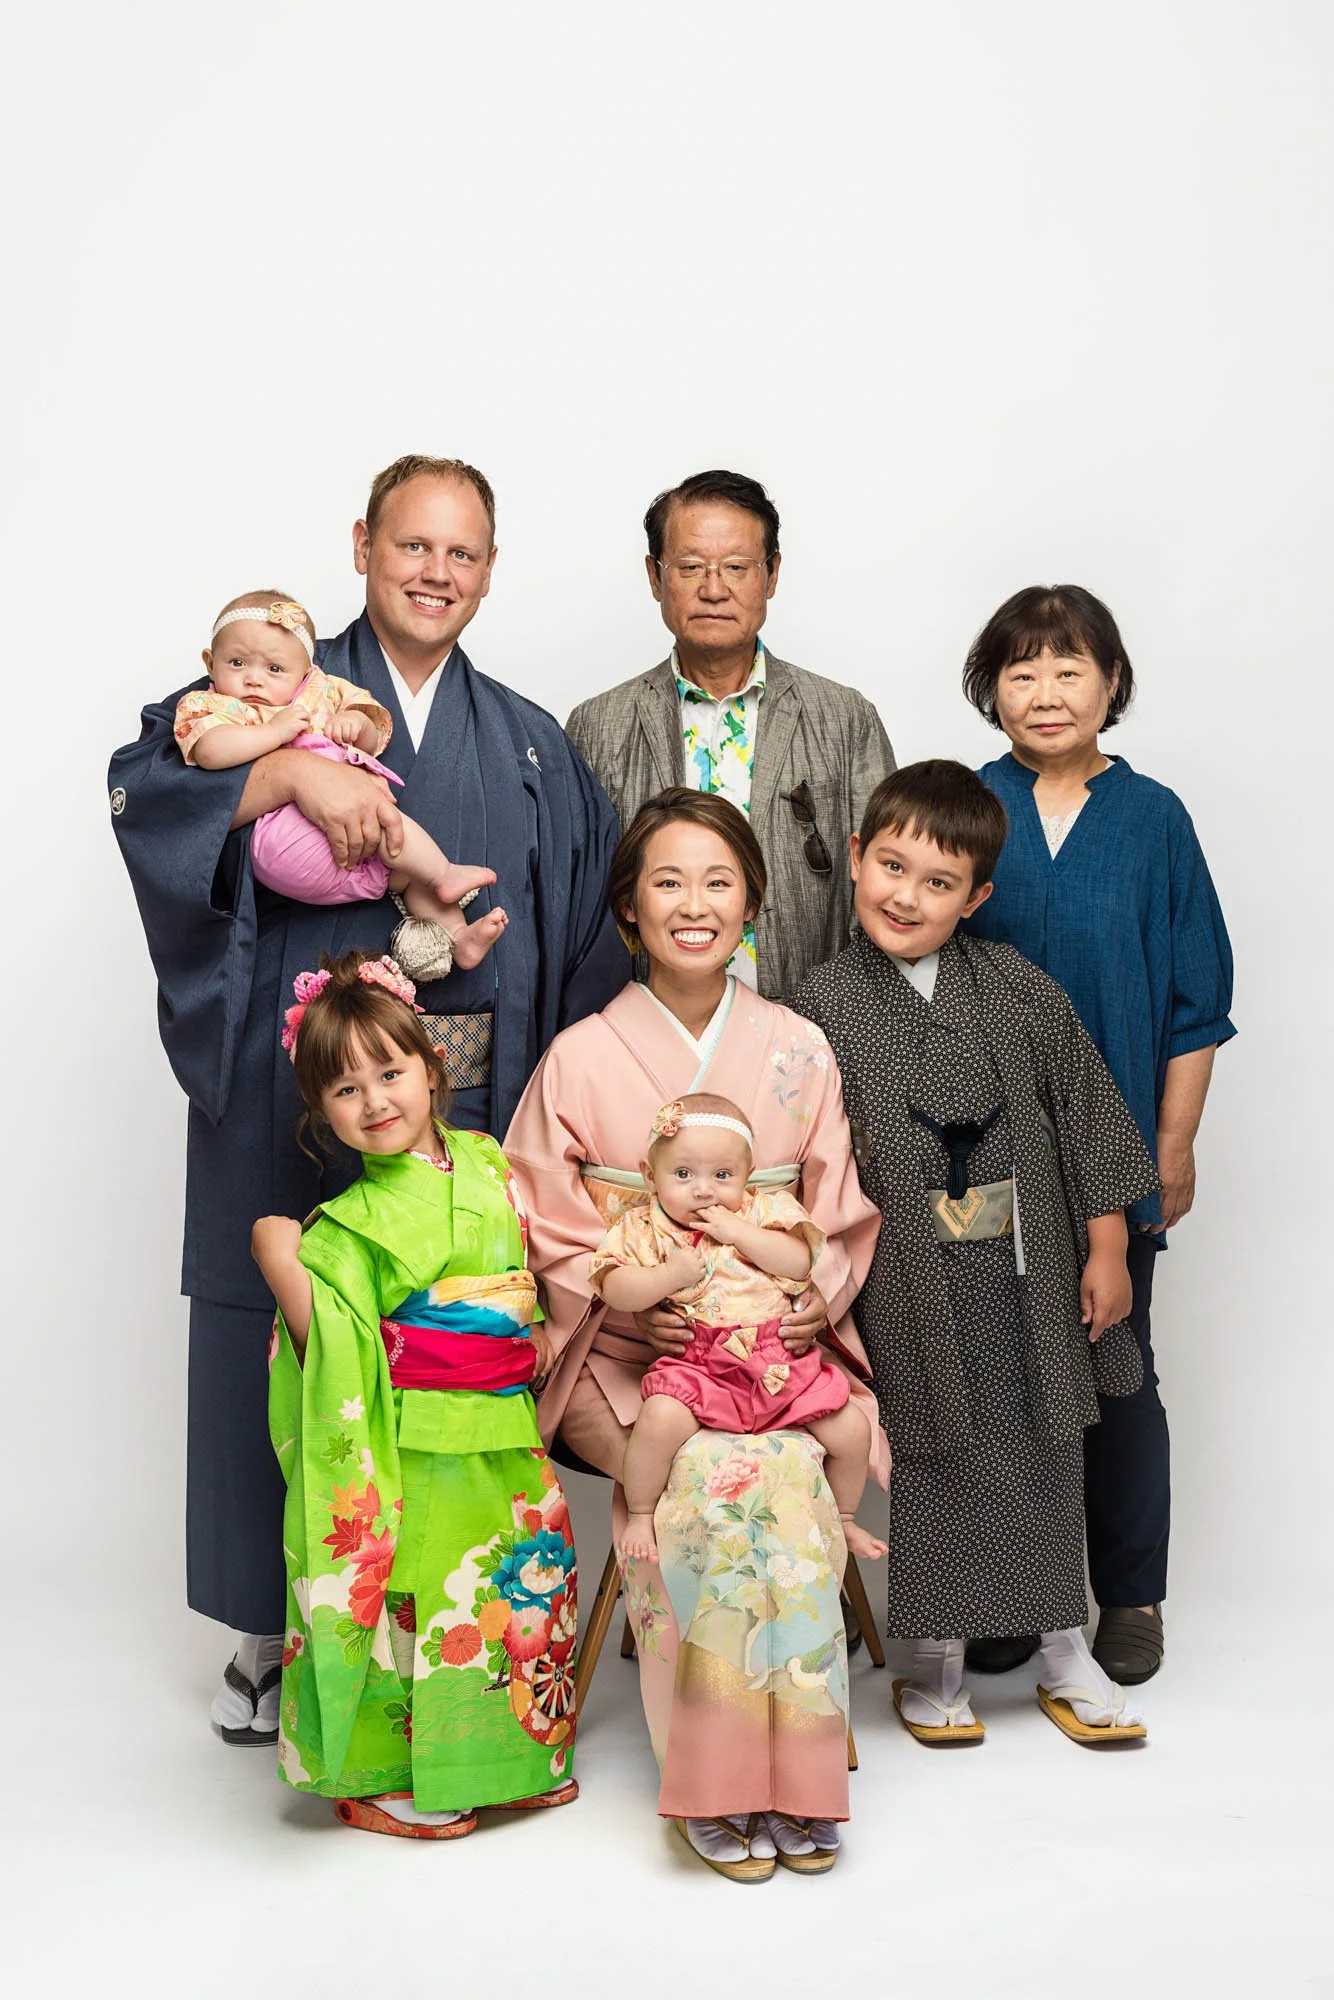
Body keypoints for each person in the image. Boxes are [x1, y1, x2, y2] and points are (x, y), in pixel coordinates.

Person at [109, 454, 622, 1745]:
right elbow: (149, 777)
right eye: (413, 546)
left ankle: (440, 1625)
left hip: (463, 1090)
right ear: (361, 545)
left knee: (436, 1352)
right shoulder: (276, 670)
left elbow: (577, 931)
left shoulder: (525, 739)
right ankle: (272, 1628)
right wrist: (282, 775)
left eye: (462, 552)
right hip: (298, 1062)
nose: (435, 572)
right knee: (290, 1333)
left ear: (489, 569)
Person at [505, 788, 886, 1880]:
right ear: (628, 907)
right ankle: (716, 1779)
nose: (693, 903)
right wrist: (623, 1284)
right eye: (666, 880)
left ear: (752, 903)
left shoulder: (794, 1045)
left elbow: (838, 1207)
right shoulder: (581, 1053)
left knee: (769, 1465)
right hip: (625, 1358)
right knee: (720, 1476)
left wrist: (816, 1283)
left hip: (768, 1350)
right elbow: (536, 1213)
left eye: (718, 881)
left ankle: (799, 1778)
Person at [795, 761, 1159, 1747]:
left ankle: (1059, 1646)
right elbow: (802, 1147)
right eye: (889, 865)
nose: (904, 895)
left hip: (1025, 1262)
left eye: (936, 881)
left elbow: (1083, 1109)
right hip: (903, 1274)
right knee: (932, 1449)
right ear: (858, 858)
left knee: (1046, 1439)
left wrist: (1108, 1243)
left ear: (977, 896)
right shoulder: (819, 1001)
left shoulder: (1017, 989)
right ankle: (937, 1654)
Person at [960, 585, 1234, 1686]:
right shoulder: (968, 806)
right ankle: (1014, 1595)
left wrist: (1171, 1146)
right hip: (972, 1152)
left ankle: (1129, 1593)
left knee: (1114, 1363)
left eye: (1067, 668)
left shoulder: (1154, 818)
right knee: (994, 1374)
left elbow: (1195, 1000)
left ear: (1110, 683)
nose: (1044, 691)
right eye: (1020, 670)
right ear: (990, 689)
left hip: (1114, 1149)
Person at [251, 950, 578, 1837]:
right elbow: (333, 1354)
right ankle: (386, 1777)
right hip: (417, 1441)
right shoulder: (347, 1227)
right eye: (344, 1090)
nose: (375, 1101)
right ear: (320, 1114)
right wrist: (282, 1261)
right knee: (424, 1607)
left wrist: (539, 1317)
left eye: (390, 1072)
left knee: (516, 1594)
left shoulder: (487, 1162)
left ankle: (506, 1759)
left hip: (506, 1425)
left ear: (433, 1068)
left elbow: (527, 1268)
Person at [566, 469, 896, 1000]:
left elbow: (887, 887)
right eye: (691, 567)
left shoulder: (845, 719)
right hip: (645, 1032)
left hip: (810, 1029)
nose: (714, 589)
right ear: (655, 577)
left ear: (771, 575)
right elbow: (578, 907)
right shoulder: (597, 726)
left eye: (737, 567)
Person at [593, 1091, 886, 1567]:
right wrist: (664, 1278)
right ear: (650, 1176)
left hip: (780, 1365)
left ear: (748, 1177)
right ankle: (642, 1512)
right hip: (700, 1365)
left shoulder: (763, 1212)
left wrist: (741, 1235)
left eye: (722, 1176)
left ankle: (845, 1517)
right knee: (659, 1420)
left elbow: (799, 1261)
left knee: (852, 1430)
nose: (704, 1190)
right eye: (683, 1175)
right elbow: (612, 1285)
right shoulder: (644, 1227)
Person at [178, 590, 505, 970]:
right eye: (237, 663)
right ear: (209, 662)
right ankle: (444, 871)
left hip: (342, 844)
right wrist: (275, 735)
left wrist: (357, 725)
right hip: (288, 838)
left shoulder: (322, 690)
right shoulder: (211, 705)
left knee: (403, 874)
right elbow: (210, 750)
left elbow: (374, 724)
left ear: (306, 670)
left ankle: (458, 939)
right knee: (391, 829)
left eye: (274, 669)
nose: (254, 680)